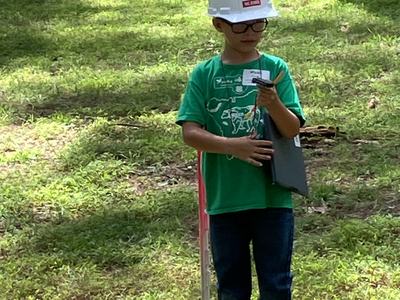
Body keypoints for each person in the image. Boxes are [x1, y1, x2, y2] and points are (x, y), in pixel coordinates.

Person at [176, 1, 306, 299]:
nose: (251, 32)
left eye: (258, 23)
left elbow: (291, 129)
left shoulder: (276, 69)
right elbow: (190, 132)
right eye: (240, 25)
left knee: (276, 283)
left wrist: (274, 103)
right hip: (226, 199)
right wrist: (233, 147)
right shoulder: (204, 74)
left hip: (273, 197)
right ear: (218, 24)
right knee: (232, 287)